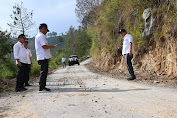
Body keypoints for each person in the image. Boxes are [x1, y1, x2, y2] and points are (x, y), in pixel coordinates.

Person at [35, 23, 55, 92]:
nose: (46, 32)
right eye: (46, 30)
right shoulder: (41, 36)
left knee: (44, 72)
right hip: (43, 57)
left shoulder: (39, 36)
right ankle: (41, 87)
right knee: (43, 72)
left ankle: (43, 86)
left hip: (42, 57)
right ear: (43, 29)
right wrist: (51, 47)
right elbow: (44, 46)